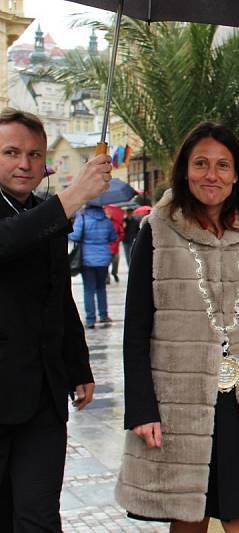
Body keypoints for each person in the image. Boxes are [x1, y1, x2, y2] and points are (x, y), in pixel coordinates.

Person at [116, 122, 239, 531]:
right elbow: (136, 329)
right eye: (200, 164)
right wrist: (142, 409)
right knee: (189, 518)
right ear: (184, 171)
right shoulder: (157, 230)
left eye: (222, 165)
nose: (210, 175)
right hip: (180, 401)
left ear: (236, 175)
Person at [0, 108, 109, 531]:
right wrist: (72, 198)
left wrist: (78, 366)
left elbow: (59, 298)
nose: (24, 164)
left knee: (39, 516)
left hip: (43, 398)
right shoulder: (53, 212)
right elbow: (7, 240)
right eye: (11, 152)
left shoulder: (46, 212)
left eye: (33, 154)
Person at [69, 205, 117, 328]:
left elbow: (74, 236)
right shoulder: (106, 220)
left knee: (88, 289)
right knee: (101, 288)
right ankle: (103, 315)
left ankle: (90, 320)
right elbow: (113, 237)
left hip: (87, 259)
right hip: (104, 259)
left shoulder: (83, 218)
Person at [106, 205, 124, 282]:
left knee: (115, 262)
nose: (108, 215)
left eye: (109, 213)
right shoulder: (103, 223)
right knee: (106, 264)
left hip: (115, 247)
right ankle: (107, 278)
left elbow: (121, 233)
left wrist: (117, 239)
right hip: (106, 248)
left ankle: (114, 273)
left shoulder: (116, 223)